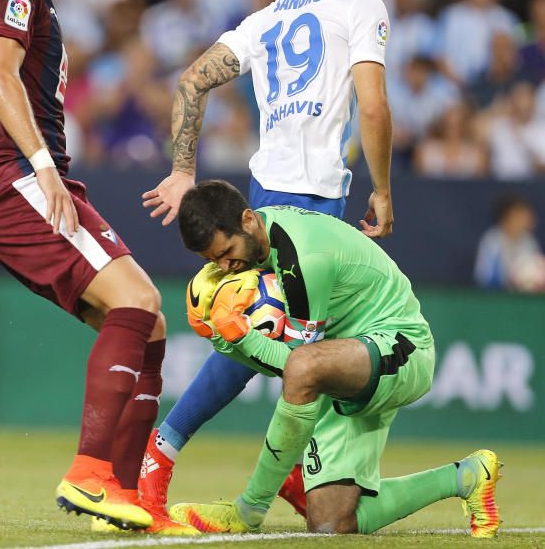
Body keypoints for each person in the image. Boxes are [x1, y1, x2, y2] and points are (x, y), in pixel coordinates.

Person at [0, 0, 196, 537]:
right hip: (15, 179)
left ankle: (124, 498)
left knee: (148, 325)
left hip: (17, 180)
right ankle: (91, 473)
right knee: (137, 302)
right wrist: (41, 168)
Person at [140, 0, 394, 515]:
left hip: (266, 193)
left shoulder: (268, 15)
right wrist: (382, 190)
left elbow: (192, 80)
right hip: (312, 201)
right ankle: (171, 455)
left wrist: (182, 171)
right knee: (298, 345)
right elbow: (374, 106)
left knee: (285, 341)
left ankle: (265, 468)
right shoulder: (362, 7)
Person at [169, 180, 501, 538]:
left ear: (248, 220)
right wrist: (222, 339)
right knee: (331, 524)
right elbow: (296, 365)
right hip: (346, 360)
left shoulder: (302, 257)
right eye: (212, 261)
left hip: (402, 347)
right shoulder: (259, 247)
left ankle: (249, 509)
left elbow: (293, 366)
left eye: (226, 251)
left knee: (303, 366)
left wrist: (238, 338)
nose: (225, 266)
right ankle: (466, 476)